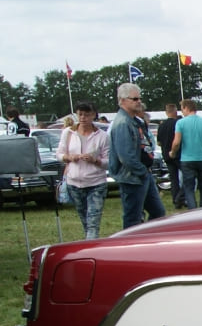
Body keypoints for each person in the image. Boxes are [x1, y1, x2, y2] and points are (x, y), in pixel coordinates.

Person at [108, 83, 165, 228]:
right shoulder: (122, 123)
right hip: (132, 178)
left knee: (158, 213)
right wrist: (142, 171)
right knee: (133, 217)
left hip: (143, 174)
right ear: (122, 101)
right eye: (134, 99)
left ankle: (151, 241)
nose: (139, 101)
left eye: (139, 98)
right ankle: (130, 247)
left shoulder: (134, 121)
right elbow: (125, 156)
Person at [58, 101, 109, 239]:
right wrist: (70, 157)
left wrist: (95, 160)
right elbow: (59, 154)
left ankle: (90, 244)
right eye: (80, 114)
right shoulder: (68, 133)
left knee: (93, 221)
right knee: (84, 219)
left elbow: (108, 162)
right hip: (74, 183)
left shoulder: (102, 136)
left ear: (93, 116)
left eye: (86, 115)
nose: (83, 118)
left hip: (96, 183)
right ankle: (89, 244)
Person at [170, 99, 202, 208]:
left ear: (186, 108)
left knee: (189, 188)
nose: (181, 112)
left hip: (187, 159)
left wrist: (173, 152)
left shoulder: (180, 123)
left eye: (182, 109)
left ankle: (193, 210)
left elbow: (177, 142)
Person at [156, 103, 186, 209]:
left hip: (166, 154)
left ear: (166, 112)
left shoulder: (161, 126)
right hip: (178, 153)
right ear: (175, 111)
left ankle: (175, 199)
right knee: (187, 176)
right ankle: (181, 197)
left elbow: (158, 142)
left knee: (174, 178)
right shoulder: (178, 123)